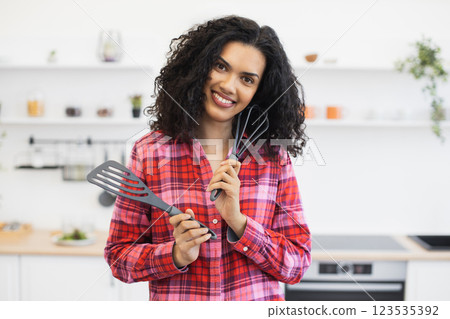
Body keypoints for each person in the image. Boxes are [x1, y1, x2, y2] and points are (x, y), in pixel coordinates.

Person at [104, 15, 311, 301]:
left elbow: (297, 264)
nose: (228, 85)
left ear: (259, 91)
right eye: (221, 66)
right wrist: (175, 253)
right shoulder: (150, 151)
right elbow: (119, 258)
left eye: (247, 79)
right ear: (199, 66)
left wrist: (239, 223)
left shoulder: (273, 156)